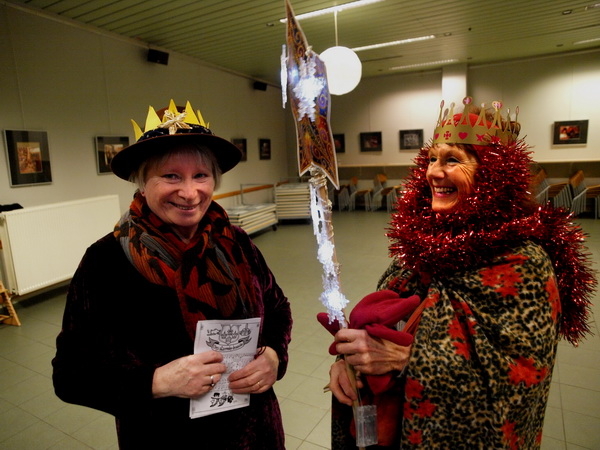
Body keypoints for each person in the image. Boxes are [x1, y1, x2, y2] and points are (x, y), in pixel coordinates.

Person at [324, 97, 596, 449]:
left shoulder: (523, 262)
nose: (434, 172)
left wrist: (409, 360)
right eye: (432, 158)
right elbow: (383, 320)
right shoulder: (422, 244)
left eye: (452, 160)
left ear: (492, 174)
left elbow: (522, 379)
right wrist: (350, 363)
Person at [52, 100, 292, 449]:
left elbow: (278, 307)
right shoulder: (106, 260)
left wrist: (273, 356)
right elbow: (70, 375)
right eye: (171, 176)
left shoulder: (236, 242)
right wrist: (157, 381)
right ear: (142, 182)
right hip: (164, 436)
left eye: (201, 175)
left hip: (256, 432)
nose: (190, 193)